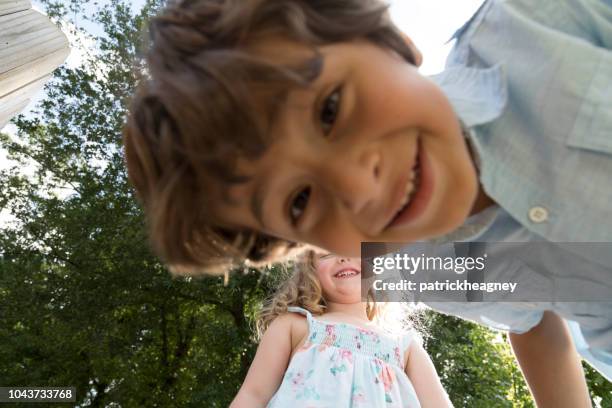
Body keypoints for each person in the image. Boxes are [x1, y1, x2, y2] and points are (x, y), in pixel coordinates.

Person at [122, 0, 610, 405]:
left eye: (330, 109)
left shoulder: (546, 21)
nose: (359, 187)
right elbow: (533, 322)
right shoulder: (418, 269)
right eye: (300, 201)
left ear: (392, 42)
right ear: (299, 248)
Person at [230, 251, 452, 407]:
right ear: (310, 270)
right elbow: (253, 395)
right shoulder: (295, 325)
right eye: (326, 253)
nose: (343, 256)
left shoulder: (403, 346)